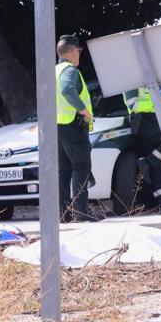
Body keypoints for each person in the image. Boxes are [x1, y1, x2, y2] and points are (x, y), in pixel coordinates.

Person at [55, 34, 94, 221]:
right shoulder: (70, 70)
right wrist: (83, 110)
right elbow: (67, 89)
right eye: (78, 51)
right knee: (81, 167)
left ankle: (63, 215)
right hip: (73, 125)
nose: (79, 55)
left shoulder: (54, 71)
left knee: (63, 171)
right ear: (72, 51)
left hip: (57, 127)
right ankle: (81, 213)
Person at [121, 84, 161, 212]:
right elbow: (133, 105)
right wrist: (158, 103)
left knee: (159, 166)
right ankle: (147, 162)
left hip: (153, 121)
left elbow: (150, 100)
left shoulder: (146, 79)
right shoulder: (129, 80)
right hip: (143, 123)